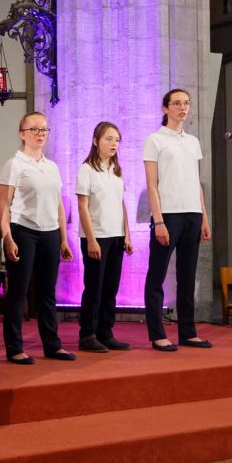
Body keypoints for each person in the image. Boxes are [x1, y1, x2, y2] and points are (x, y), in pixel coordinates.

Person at [0, 111, 75, 364]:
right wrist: (7, 237)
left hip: (50, 232)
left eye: (44, 129)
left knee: (47, 293)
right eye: (34, 129)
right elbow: (3, 205)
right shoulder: (14, 164)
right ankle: (15, 348)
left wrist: (63, 239)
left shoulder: (52, 166)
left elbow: (59, 205)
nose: (40, 134)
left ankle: (52, 345)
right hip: (23, 230)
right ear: (22, 134)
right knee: (18, 292)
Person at [143, 88, 213, 351]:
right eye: (176, 103)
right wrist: (159, 221)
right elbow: (152, 185)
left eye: (186, 103)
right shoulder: (155, 140)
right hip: (168, 215)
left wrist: (204, 217)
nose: (183, 108)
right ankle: (157, 334)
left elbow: (196, 182)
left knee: (187, 276)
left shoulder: (193, 142)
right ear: (165, 108)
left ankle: (188, 332)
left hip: (193, 213)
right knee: (157, 276)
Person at [76, 122, 134, 353]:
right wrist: (91, 239)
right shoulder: (87, 169)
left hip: (116, 236)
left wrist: (127, 234)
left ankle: (105, 333)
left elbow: (121, 204)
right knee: (94, 288)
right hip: (96, 236)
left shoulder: (117, 170)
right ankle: (87, 334)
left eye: (117, 140)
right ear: (95, 141)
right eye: (109, 139)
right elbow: (82, 206)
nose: (113, 144)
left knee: (111, 287)